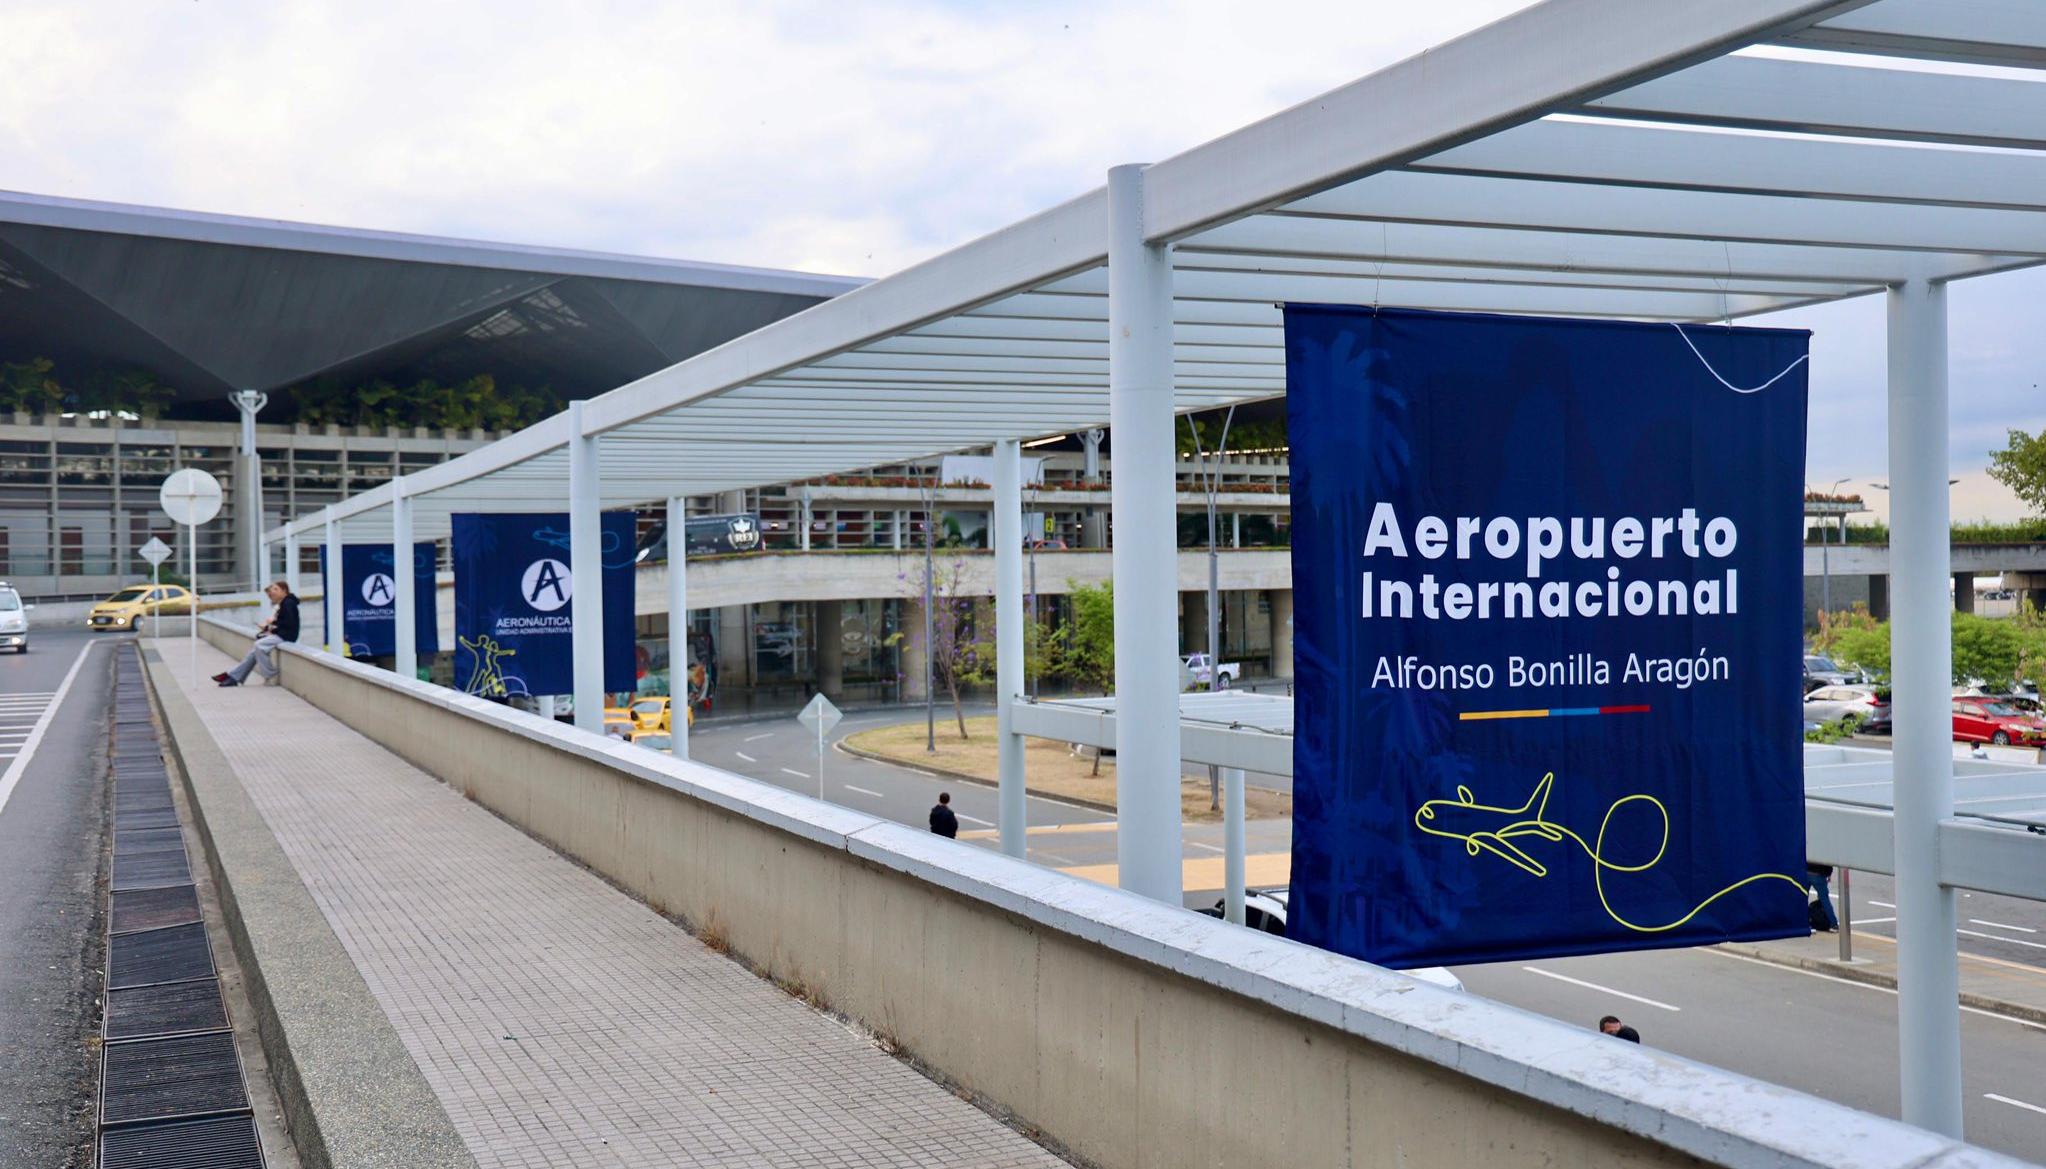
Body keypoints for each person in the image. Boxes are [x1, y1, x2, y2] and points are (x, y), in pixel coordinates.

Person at [214, 580, 298, 687]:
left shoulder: (288, 603)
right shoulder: (286, 602)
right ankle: (234, 677)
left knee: (259, 645)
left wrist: (272, 625)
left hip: (286, 636)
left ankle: (271, 675)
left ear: (284, 590)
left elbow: (288, 622)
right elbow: (284, 623)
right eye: (272, 589)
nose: (273, 592)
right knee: (254, 652)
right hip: (282, 634)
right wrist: (270, 628)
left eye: (276, 589)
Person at [1805, 862, 1839, 932]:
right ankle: (1833, 924)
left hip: (1806, 872)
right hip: (1819, 874)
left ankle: (1804, 923)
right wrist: (1829, 874)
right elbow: (1827, 861)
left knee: (1803, 898)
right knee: (1824, 900)